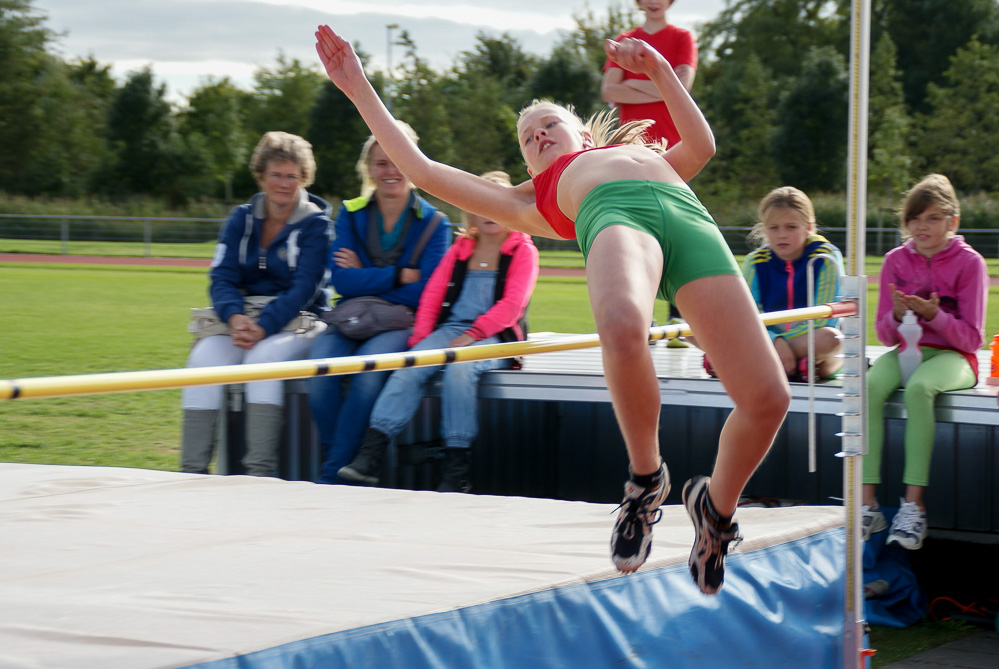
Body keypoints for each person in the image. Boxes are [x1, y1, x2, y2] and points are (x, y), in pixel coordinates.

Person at [314, 26, 789, 595]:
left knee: (768, 398)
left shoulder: (639, 151)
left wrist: (659, 68)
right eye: (527, 137)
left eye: (548, 125)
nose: (538, 135)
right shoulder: (531, 200)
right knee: (620, 326)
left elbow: (703, 146)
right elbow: (425, 171)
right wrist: (358, 86)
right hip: (616, 220)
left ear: (583, 134)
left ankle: (715, 511)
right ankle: (645, 480)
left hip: (692, 227)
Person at [339, 171, 539, 493]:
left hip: (495, 336)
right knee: (411, 364)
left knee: (460, 370)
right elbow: (432, 296)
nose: (490, 213)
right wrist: (420, 339)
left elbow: (512, 306)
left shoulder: (523, 250)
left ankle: (456, 466)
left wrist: (474, 334)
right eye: (482, 204)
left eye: (498, 205)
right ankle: (371, 454)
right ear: (470, 209)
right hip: (453, 331)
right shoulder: (462, 248)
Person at [181, 131, 332, 477]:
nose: (283, 183)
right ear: (261, 176)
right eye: (276, 175)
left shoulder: (317, 225)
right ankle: (191, 472)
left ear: (304, 178)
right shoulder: (240, 219)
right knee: (201, 360)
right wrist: (234, 318)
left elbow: (304, 290)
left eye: (291, 176)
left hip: (300, 321)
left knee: (262, 360)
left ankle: (257, 473)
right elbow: (222, 277)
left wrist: (264, 327)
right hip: (244, 321)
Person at [307, 125, 450, 485]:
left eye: (399, 160)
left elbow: (425, 293)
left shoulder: (435, 223)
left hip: (401, 322)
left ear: (414, 164)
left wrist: (368, 274)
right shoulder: (352, 213)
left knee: (367, 376)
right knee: (318, 373)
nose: (391, 171)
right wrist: (400, 275)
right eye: (381, 163)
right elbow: (341, 281)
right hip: (351, 315)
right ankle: (339, 463)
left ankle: (330, 478)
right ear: (368, 169)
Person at [862, 174, 987, 550]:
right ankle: (867, 503)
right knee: (866, 387)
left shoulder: (970, 263)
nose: (921, 226)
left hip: (954, 357)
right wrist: (898, 316)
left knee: (919, 389)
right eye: (914, 218)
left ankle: (913, 507)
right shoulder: (894, 261)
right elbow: (884, 336)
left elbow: (972, 339)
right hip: (904, 351)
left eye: (932, 218)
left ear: (953, 223)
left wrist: (935, 316)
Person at [602, 0, 698, 347]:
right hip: (632, 149)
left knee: (675, 226)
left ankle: (680, 317)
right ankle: (644, 316)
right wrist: (659, 83)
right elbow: (609, 90)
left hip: (675, 148)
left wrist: (638, 84)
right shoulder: (626, 39)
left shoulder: (682, 37)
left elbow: (682, 87)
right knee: (636, 231)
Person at [734, 186, 844, 381]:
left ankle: (741, 361)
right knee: (695, 328)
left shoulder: (825, 258)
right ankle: (799, 365)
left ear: (808, 227)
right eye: (773, 228)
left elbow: (825, 318)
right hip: (766, 340)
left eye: (791, 227)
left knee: (831, 338)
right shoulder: (755, 262)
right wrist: (774, 340)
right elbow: (747, 317)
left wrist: (784, 344)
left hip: (810, 339)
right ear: (764, 229)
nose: (781, 235)